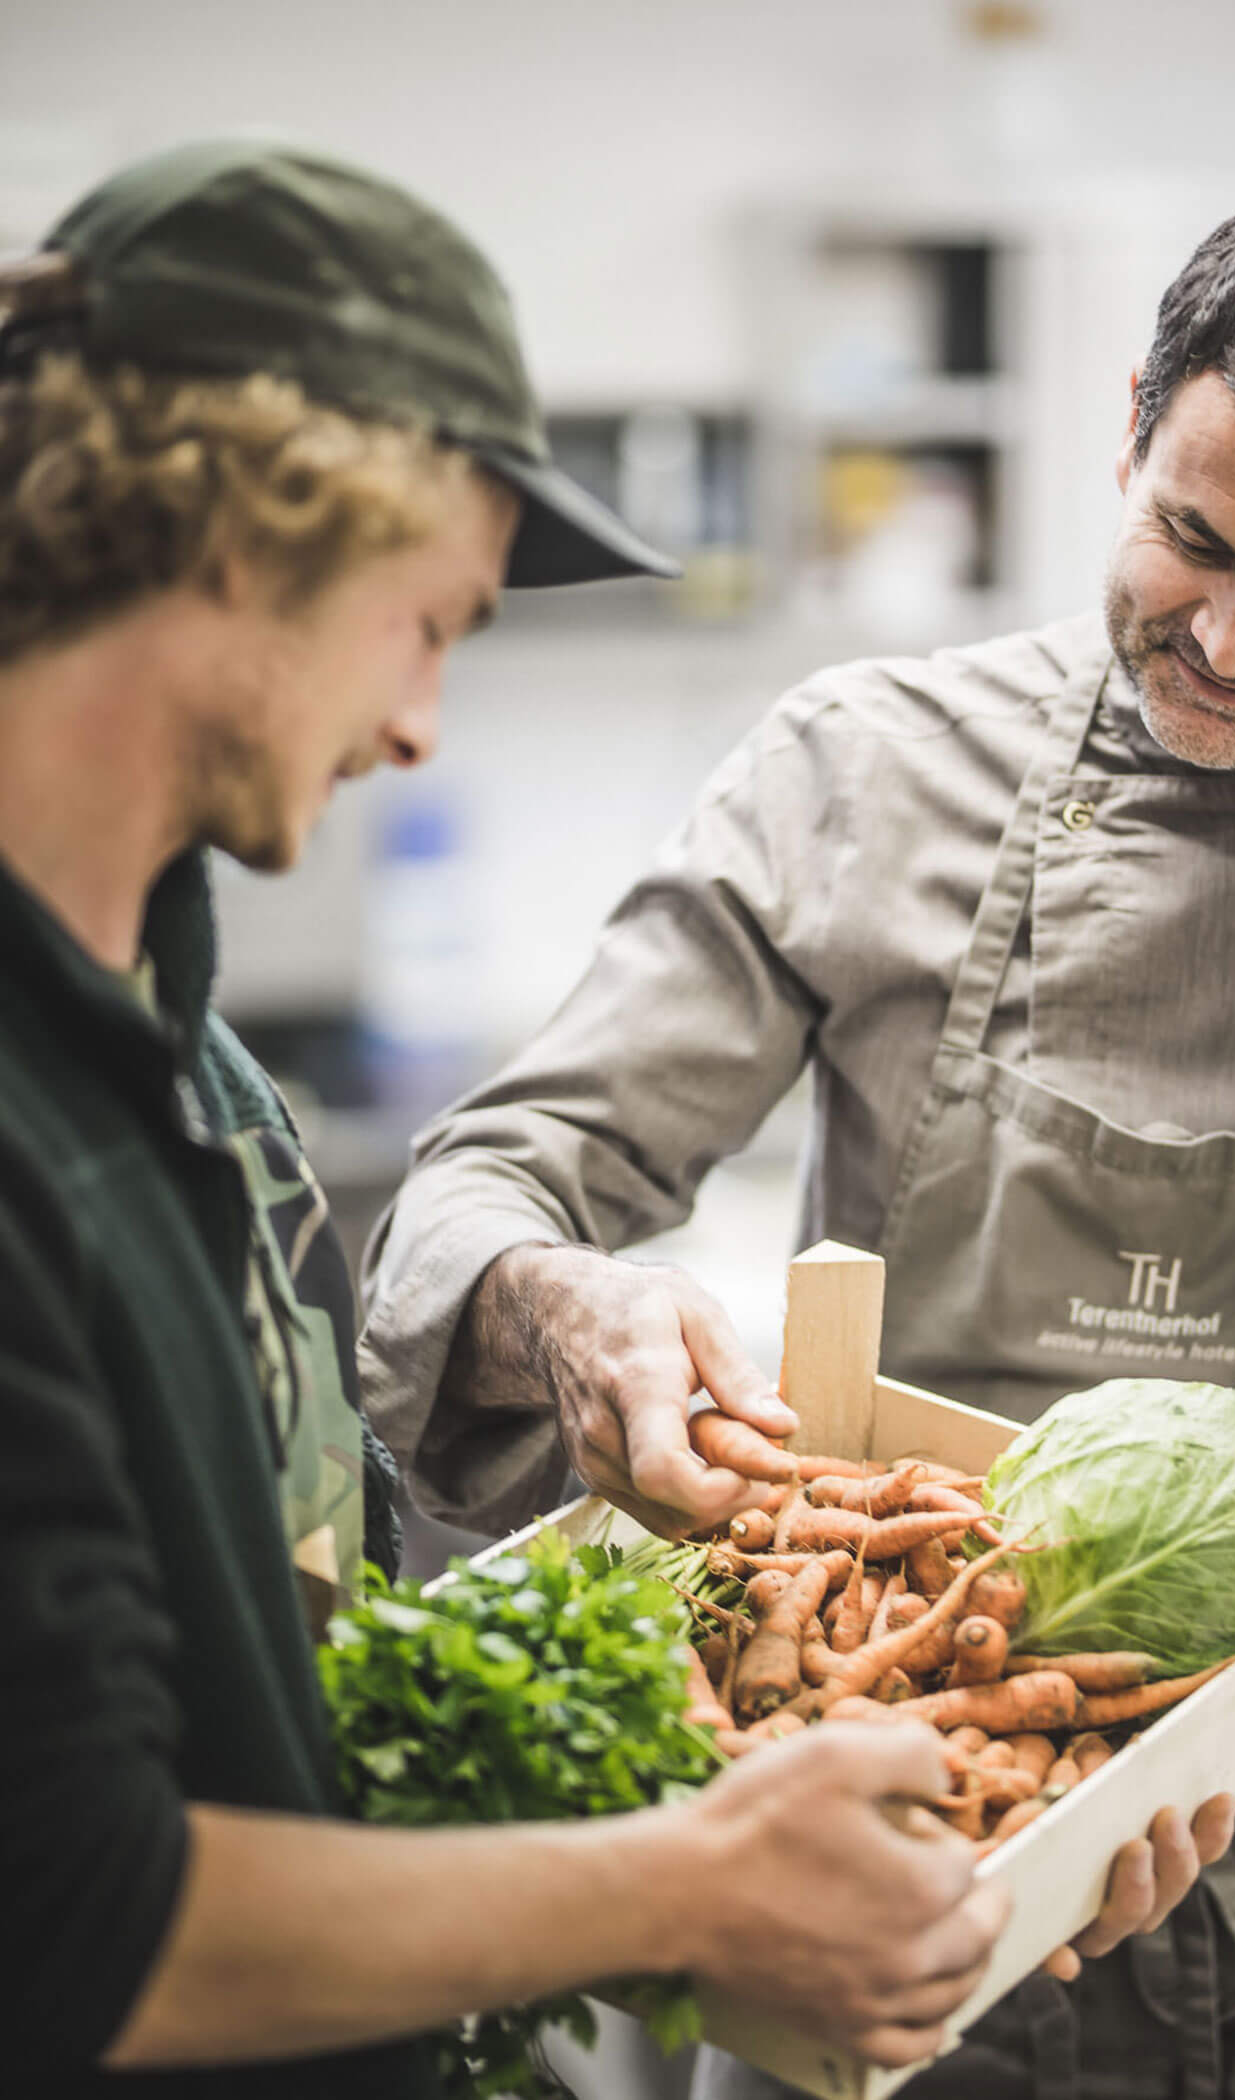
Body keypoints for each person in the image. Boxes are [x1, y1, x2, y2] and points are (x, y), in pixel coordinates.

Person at [361, 189, 1235, 2098]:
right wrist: (560, 1305)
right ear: (1132, 430)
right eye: (1194, 539)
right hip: (870, 1852)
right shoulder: (863, 770)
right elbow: (492, 1185)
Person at [0, 138, 1029, 2100]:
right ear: (245, 532)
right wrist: (690, 1890)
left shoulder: (205, 1090)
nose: (417, 727)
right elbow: (71, 1929)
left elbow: (291, 1679)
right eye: (429, 623)